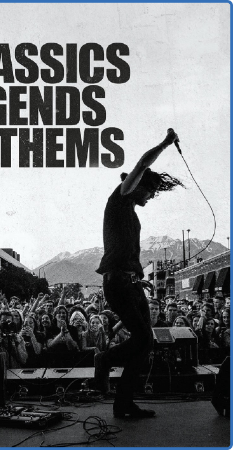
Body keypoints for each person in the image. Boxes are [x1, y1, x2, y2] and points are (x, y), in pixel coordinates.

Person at [94, 129, 182, 419]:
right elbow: (143, 163)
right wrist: (166, 143)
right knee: (143, 340)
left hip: (131, 283)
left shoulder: (130, 211)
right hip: (118, 284)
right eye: (150, 191)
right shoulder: (120, 199)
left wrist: (138, 276)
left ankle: (124, 404)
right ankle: (105, 359)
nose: (152, 195)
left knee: (146, 343)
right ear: (137, 186)